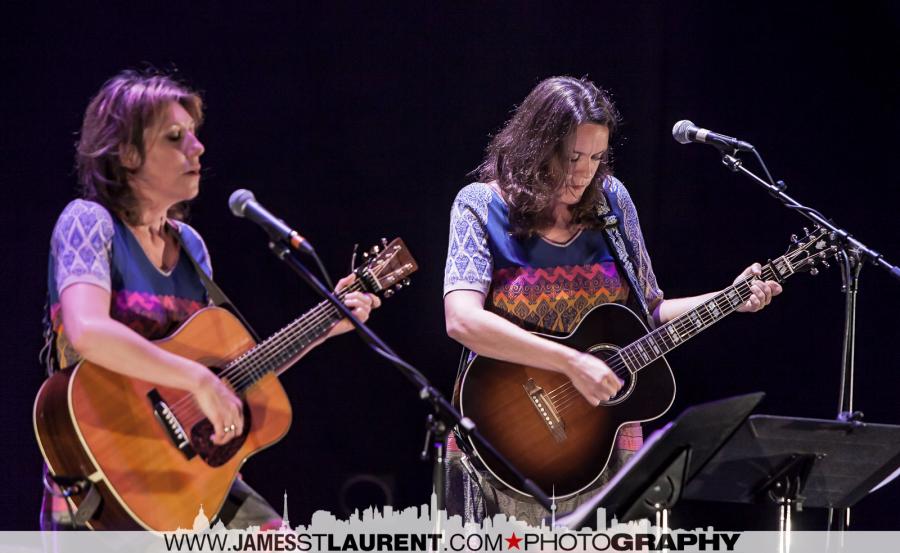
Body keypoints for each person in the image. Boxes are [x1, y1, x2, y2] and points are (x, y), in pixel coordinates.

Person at [40, 70, 380, 530]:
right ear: (127, 154)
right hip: (98, 468)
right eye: (174, 137)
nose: (197, 148)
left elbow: (227, 374)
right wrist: (198, 379)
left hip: (185, 475)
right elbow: (88, 331)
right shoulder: (89, 222)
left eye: (194, 134)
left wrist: (321, 328)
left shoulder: (191, 248)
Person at [442, 76, 782, 524]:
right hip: (504, 440)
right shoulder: (481, 205)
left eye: (596, 158)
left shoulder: (612, 202)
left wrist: (728, 298)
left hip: (602, 447)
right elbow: (462, 321)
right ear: (536, 148)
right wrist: (571, 362)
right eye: (571, 157)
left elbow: (651, 311)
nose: (583, 173)